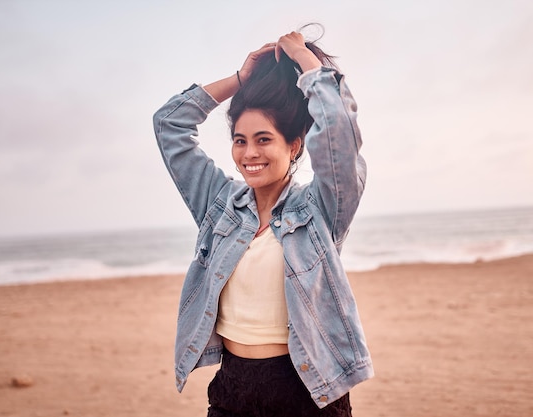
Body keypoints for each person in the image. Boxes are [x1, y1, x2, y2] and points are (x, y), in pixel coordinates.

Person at [153, 28, 373, 417]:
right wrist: (241, 80)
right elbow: (169, 123)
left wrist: (307, 61)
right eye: (240, 140)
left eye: (263, 139)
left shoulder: (321, 209)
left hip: (308, 394)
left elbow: (339, 134)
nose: (249, 153)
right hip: (232, 392)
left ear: (294, 145)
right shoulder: (219, 205)